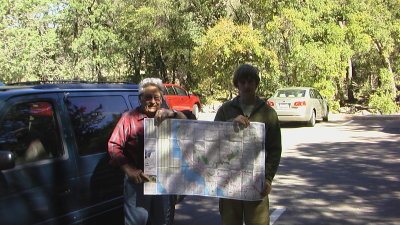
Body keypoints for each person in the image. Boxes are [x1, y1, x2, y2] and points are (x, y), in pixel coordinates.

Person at [108, 78, 187, 225]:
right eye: (148, 97)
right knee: (137, 222)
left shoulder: (169, 116)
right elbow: (114, 145)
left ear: (161, 98)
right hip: (139, 180)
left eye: (156, 97)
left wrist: (172, 114)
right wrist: (129, 169)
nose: (152, 101)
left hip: (163, 180)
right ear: (140, 99)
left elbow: (189, 122)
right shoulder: (129, 118)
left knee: (162, 220)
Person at [214, 64, 282, 225]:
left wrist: (268, 178)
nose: (246, 85)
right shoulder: (225, 110)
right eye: (242, 82)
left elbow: (275, 149)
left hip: (256, 181)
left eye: (250, 81)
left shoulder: (267, 113)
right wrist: (230, 124)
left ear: (256, 83)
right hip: (229, 182)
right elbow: (213, 139)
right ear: (236, 84)